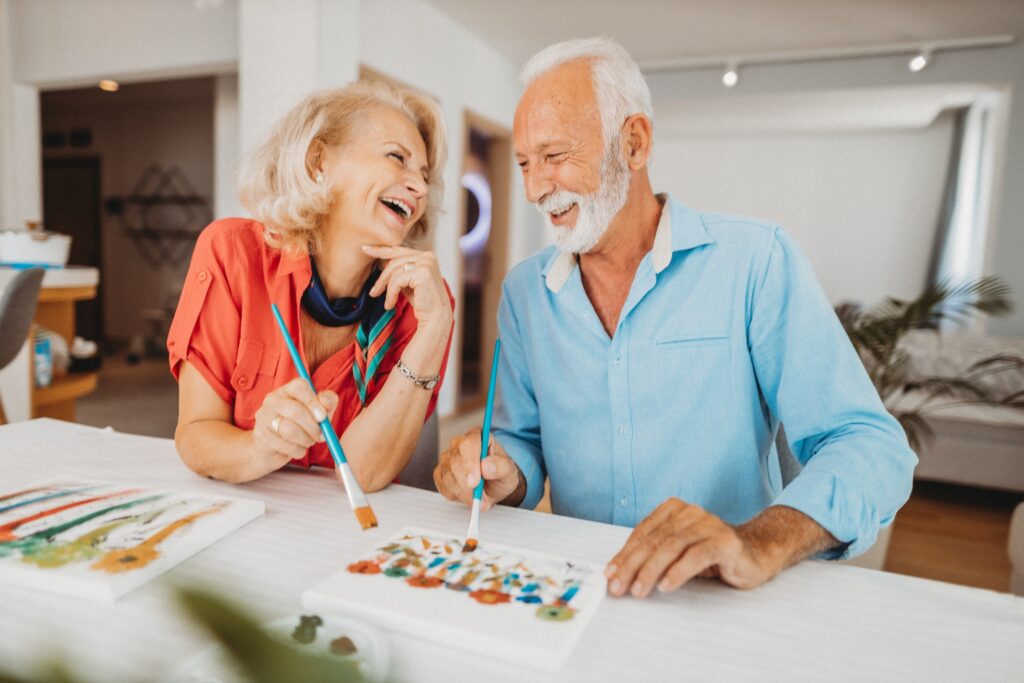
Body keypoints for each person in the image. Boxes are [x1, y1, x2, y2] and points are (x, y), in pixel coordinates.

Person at [433, 38, 916, 597]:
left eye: (556, 156)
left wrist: (758, 540)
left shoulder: (756, 262)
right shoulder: (525, 292)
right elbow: (522, 440)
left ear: (633, 144)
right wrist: (500, 470)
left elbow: (869, 445)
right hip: (580, 592)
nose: (537, 186)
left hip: (718, 597)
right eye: (523, 163)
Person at [168, 80, 453, 487]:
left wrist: (435, 331)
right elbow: (195, 435)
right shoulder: (232, 252)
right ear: (319, 161)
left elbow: (365, 475)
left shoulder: (425, 305)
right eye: (397, 158)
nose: (420, 188)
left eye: (424, 176)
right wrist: (259, 447)